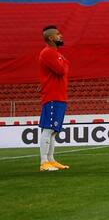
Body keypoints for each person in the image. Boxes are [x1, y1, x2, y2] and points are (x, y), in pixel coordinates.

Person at [38, 25, 69, 171]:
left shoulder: (54, 53)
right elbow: (61, 69)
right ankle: (44, 162)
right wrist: (64, 61)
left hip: (59, 96)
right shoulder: (48, 53)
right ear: (51, 38)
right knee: (48, 129)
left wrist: (63, 60)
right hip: (52, 96)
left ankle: (51, 159)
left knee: (54, 131)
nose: (61, 36)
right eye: (58, 34)